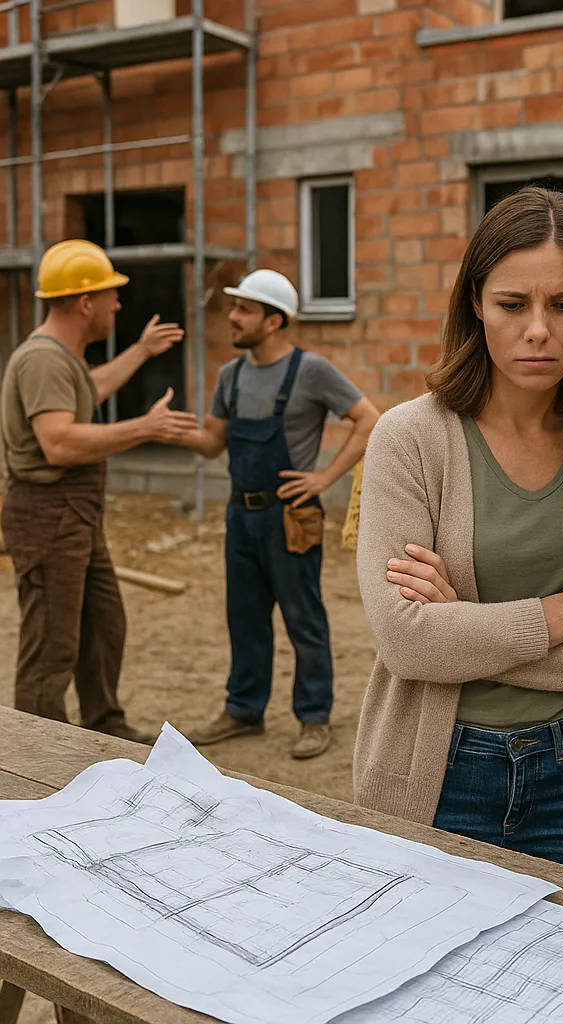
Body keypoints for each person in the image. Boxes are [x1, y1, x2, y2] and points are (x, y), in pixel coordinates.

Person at [354, 187, 563, 878]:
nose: (538, 330)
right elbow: (407, 642)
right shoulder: (408, 440)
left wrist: (466, 631)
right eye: (512, 305)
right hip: (436, 777)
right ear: (475, 301)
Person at [0, 239, 196, 743]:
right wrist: (145, 428)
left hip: (74, 516)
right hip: (48, 515)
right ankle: (38, 748)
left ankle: (102, 727)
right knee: (52, 643)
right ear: (85, 301)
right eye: (110, 294)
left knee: (102, 623)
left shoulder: (61, 359)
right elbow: (59, 443)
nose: (118, 303)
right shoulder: (42, 360)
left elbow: (91, 387)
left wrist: (141, 351)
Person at [183, 269, 379, 760]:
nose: (232, 317)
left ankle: (314, 717)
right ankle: (243, 710)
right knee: (244, 616)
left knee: (302, 618)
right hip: (240, 516)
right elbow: (211, 445)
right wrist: (165, 428)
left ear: (273, 321)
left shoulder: (310, 371)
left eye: (244, 310)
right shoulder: (230, 376)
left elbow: (368, 418)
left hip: (291, 516)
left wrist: (324, 478)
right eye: (235, 308)